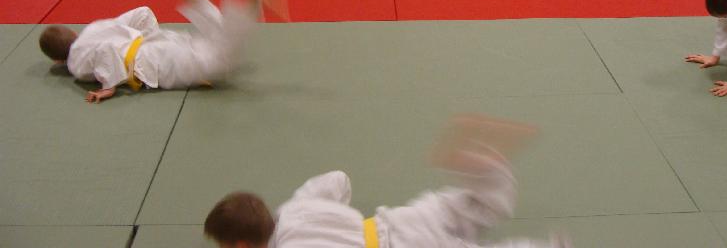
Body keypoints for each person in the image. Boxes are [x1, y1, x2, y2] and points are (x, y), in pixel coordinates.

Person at [203, 115, 570, 248]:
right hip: (398, 220)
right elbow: (337, 180)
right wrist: (330, 217)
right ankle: (482, 169)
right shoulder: (294, 208)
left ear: (241, 246)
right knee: (463, 207)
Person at [38, 0, 287, 103]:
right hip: (154, 43)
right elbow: (141, 13)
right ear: (74, 32)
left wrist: (108, 86)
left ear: (59, 60)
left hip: (151, 61)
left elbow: (104, 51)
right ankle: (197, 1)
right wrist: (150, 35)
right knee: (212, 45)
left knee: (218, 61)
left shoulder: (75, 62)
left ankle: (248, 3)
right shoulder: (93, 28)